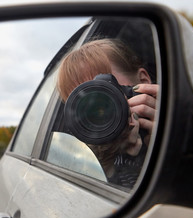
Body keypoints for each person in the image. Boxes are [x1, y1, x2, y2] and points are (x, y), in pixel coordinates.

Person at [57, 38, 158, 188]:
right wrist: (103, 162)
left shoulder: (177, 124)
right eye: (83, 106)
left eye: (104, 91)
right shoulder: (85, 160)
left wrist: (176, 130)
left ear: (143, 83)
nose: (99, 110)